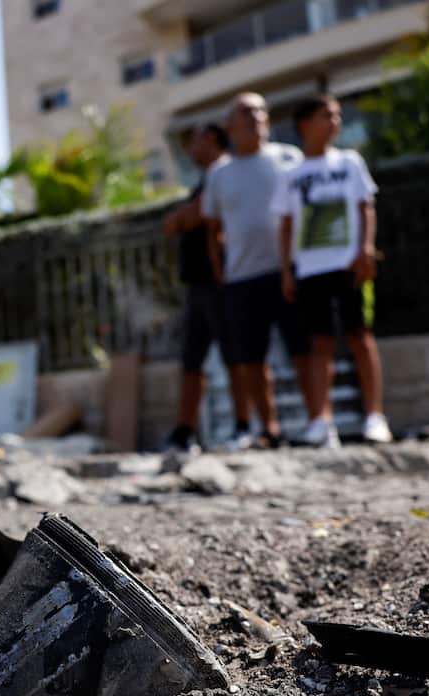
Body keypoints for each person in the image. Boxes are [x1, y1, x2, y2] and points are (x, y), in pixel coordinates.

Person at [275, 94, 392, 447]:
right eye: (327, 115)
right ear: (305, 124)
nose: (335, 122)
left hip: (348, 265)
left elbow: (365, 206)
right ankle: (321, 421)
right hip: (310, 270)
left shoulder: (350, 162)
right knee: (319, 344)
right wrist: (286, 270)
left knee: (360, 336)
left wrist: (366, 249)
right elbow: (285, 225)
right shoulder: (291, 175)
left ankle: (375, 416)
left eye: (338, 116)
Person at [201, 92, 314, 448]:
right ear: (230, 125)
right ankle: (269, 428)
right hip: (241, 278)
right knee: (251, 358)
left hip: (289, 270)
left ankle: (319, 422)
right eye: (245, 112)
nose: (255, 117)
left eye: (260, 111)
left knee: (303, 350)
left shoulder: (289, 158)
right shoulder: (220, 174)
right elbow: (212, 229)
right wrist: (221, 271)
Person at [162, 123, 240, 452]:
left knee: (236, 357)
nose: (189, 150)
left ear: (210, 139)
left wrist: (184, 218)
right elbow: (173, 224)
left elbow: (197, 220)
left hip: (220, 281)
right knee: (193, 361)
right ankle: (184, 431)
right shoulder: (204, 182)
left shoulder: (225, 175)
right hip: (199, 285)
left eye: (193, 141)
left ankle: (245, 425)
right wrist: (182, 218)